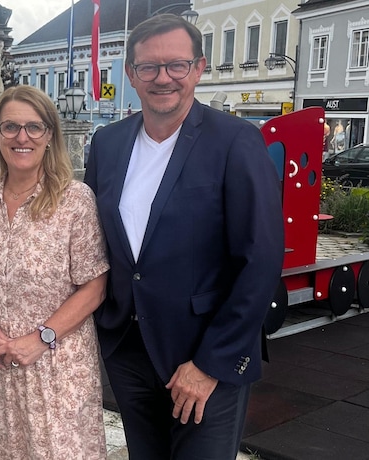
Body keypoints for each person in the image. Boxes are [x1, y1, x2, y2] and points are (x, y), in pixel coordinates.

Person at [84, 14, 284, 459]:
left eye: (176, 65)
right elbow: (95, 241)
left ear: (198, 68)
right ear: (131, 74)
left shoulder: (236, 142)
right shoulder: (109, 143)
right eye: (149, 67)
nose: (163, 78)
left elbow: (262, 261)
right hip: (130, 352)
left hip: (203, 353)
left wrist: (211, 364)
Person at [0, 85, 109, 459]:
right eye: (10, 127)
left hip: (57, 369)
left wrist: (41, 338)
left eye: (34, 127)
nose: (21, 137)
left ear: (49, 137)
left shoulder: (74, 200)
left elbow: (95, 286)